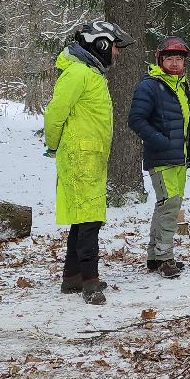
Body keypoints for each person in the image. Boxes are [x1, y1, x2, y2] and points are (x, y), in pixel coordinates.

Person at [44, 19, 124, 305]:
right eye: (115, 47)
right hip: (80, 157)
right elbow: (55, 113)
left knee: (84, 218)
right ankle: (90, 282)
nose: (117, 53)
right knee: (90, 219)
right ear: (100, 44)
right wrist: (52, 145)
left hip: (89, 156)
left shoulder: (89, 73)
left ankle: (72, 277)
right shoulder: (78, 73)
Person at [129, 36, 190, 279]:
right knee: (169, 207)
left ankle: (154, 256)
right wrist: (161, 141)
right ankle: (165, 257)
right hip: (162, 158)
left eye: (178, 59)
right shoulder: (149, 85)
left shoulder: (181, 84)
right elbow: (136, 120)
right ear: (160, 59)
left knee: (166, 206)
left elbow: (186, 124)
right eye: (169, 58)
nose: (174, 63)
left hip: (178, 158)